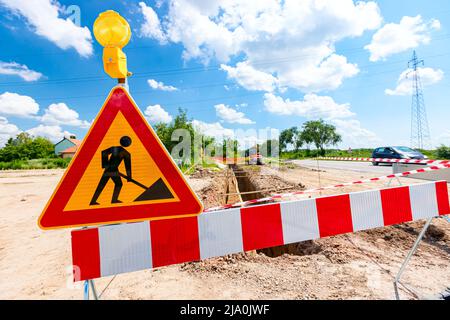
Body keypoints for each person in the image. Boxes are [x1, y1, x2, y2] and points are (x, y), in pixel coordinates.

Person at [90, 136, 132, 205]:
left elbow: (104, 153)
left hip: (110, 169)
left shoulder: (116, 149)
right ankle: (113, 200)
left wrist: (106, 165)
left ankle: (93, 201)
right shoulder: (125, 153)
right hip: (113, 170)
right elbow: (127, 166)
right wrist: (129, 177)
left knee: (102, 184)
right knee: (118, 184)